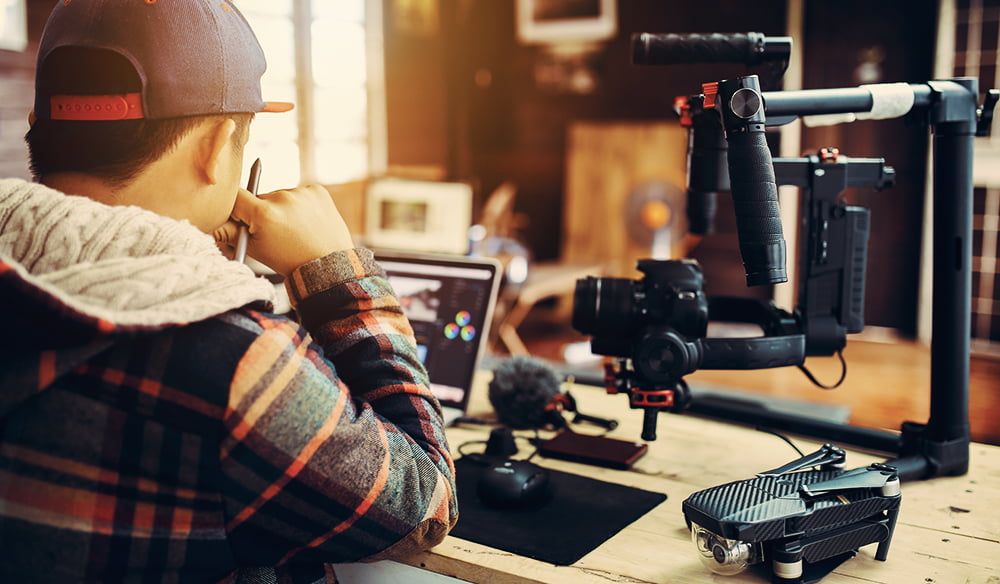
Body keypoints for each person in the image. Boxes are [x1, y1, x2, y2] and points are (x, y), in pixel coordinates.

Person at [0, 1, 457, 582]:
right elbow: (425, 501)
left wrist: (192, 269)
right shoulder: (238, 361)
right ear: (218, 148)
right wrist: (337, 274)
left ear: (37, 127)